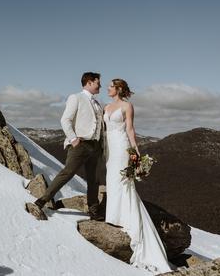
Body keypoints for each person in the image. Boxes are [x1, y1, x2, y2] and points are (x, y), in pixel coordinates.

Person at [103, 79, 171, 273]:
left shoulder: (127, 106)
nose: (108, 89)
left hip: (122, 147)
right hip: (110, 148)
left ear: (119, 89)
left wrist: (136, 153)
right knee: (112, 181)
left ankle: (126, 220)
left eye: (110, 86)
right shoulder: (107, 106)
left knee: (123, 182)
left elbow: (130, 129)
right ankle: (113, 216)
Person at [34, 72, 105, 221]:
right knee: (67, 173)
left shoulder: (98, 104)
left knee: (94, 180)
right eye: (98, 82)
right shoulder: (76, 97)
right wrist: (73, 139)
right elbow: (65, 120)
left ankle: (93, 210)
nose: (100, 85)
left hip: (96, 146)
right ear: (89, 82)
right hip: (81, 145)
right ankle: (42, 200)